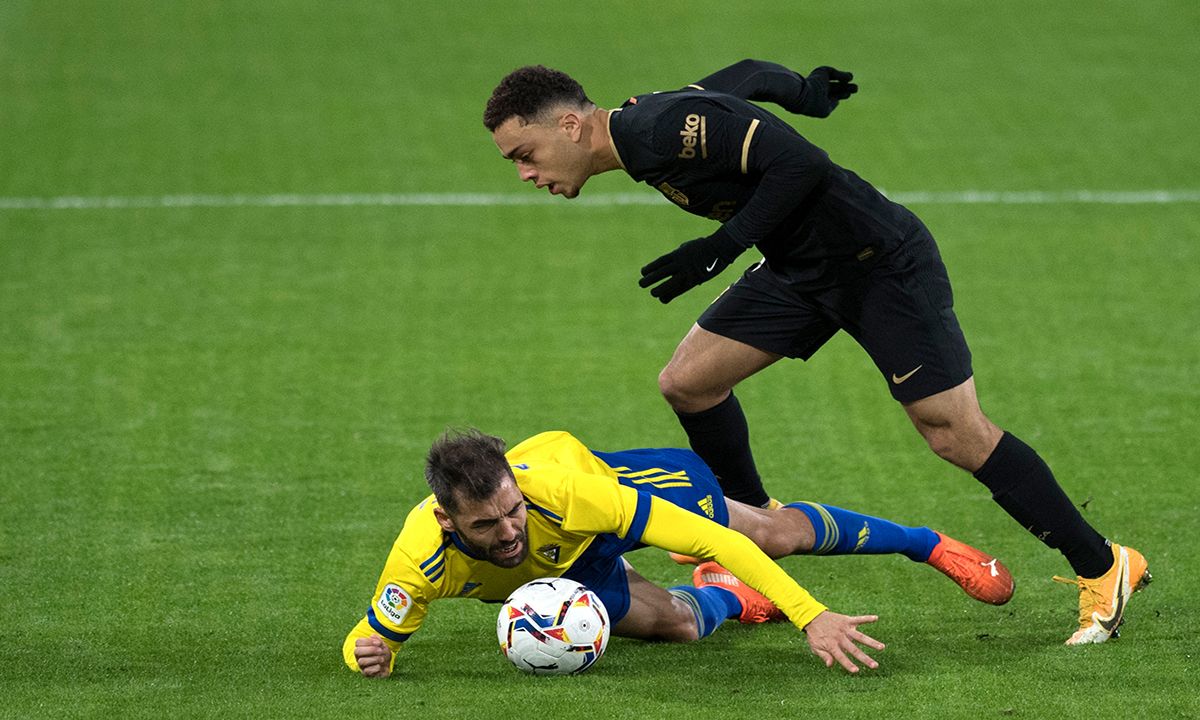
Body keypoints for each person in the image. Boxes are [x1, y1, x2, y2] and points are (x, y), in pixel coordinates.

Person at [482, 59, 1150, 645]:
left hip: (877, 264)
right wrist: (805, 91)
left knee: (955, 434)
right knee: (689, 382)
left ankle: (1103, 566)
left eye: (524, 152)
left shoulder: (654, 130)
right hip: (801, 269)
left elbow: (801, 163)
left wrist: (721, 245)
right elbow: (742, 79)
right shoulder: (645, 128)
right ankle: (753, 524)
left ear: (569, 126)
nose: (524, 172)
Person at [344, 428, 1015, 678]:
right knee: (684, 627)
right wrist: (368, 653)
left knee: (765, 532)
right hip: (572, 569)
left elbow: (712, 536)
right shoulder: (420, 558)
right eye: (487, 526)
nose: (509, 530)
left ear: (521, 492)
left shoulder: (565, 496)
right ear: (447, 518)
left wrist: (812, 615)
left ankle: (926, 544)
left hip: (607, 499)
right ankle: (734, 595)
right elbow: (370, 638)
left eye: (513, 510)